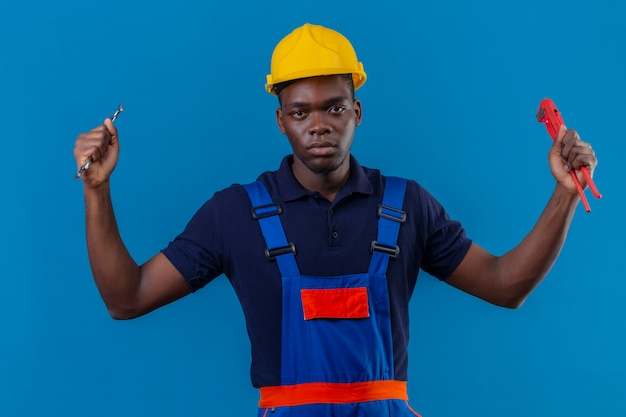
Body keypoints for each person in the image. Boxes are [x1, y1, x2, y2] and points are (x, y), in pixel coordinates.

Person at [73, 23, 598, 417]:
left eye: (335, 108)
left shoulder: (407, 206)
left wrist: (564, 194)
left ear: (357, 111)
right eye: (300, 111)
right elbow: (127, 299)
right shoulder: (234, 214)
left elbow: (506, 286)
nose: (318, 125)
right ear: (280, 120)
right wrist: (97, 191)